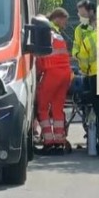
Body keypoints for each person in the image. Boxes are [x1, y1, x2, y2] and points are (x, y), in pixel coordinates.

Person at [34, 8, 73, 142]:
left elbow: (40, 59)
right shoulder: (57, 34)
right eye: (65, 21)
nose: (65, 24)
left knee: (42, 107)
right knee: (58, 107)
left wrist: (37, 74)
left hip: (52, 73)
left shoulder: (44, 33)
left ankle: (48, 140)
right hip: (66, 74)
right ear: (57, 18)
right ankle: (59, 138)